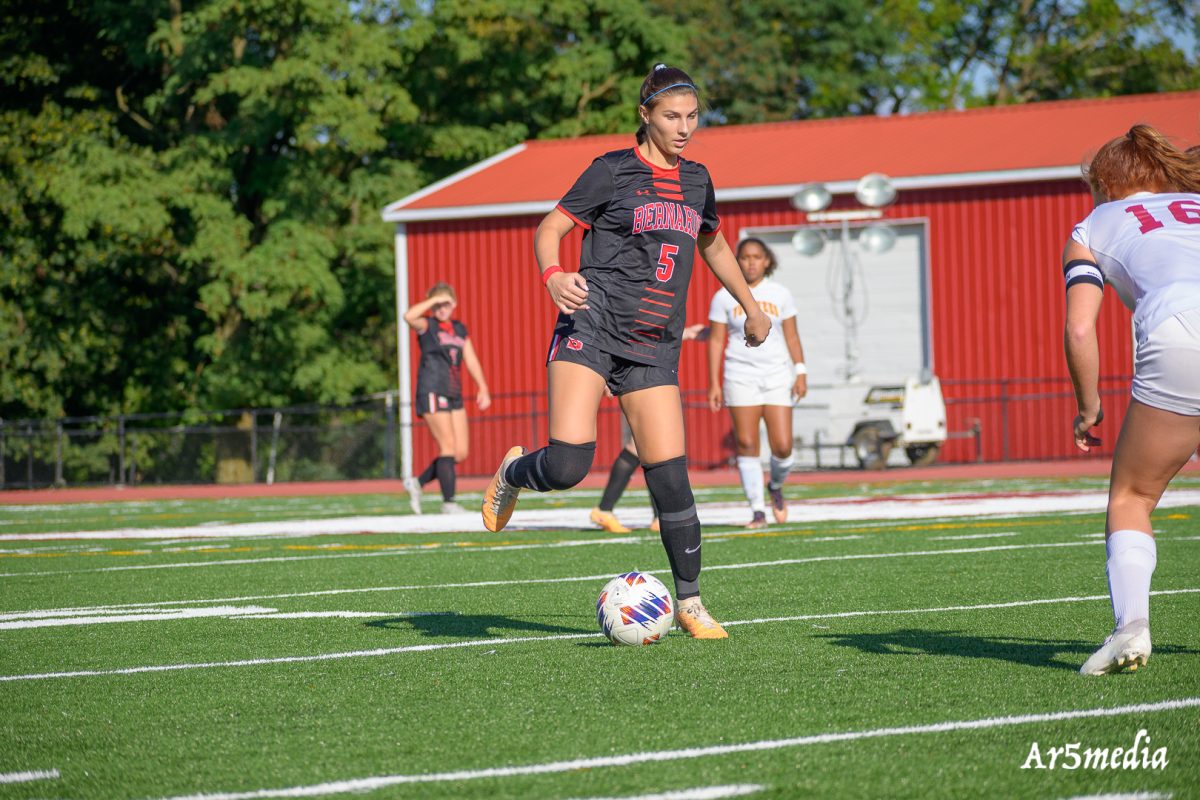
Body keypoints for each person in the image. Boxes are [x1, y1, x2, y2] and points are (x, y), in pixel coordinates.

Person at [481, 63, 771, 639]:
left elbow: (712, 244)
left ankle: (689, 602)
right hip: (591, 327)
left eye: (692, 117)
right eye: (671, 116)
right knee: (567, 467)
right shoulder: (610, 172)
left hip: (653, 345)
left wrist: (750, 305)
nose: (684, 127)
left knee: (671, 481)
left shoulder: (698, 180)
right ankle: (514, 472)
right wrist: (554, 275)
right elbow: (548, 230)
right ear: (645, 116)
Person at [1064, 124, 1200, 675]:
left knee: (1133, 495)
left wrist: (1088, 406)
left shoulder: (1095, 222)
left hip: (1178, 324)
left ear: (1106, 183)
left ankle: (1132, 629)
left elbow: (1079, 329)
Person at [707, 238, 807, 528]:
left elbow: (792, 336)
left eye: (757, 257)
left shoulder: (780, 294)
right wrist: (714, 383)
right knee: (747, 443)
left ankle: (775, 485)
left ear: (767, 261)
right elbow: (715, 341)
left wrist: (800, 370)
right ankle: (757, 511)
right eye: (745, 257)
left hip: (776, 374)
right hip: (740, 374)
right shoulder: (724, 296)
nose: (751, 262)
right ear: (736, 261)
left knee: (783, 446)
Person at [402, 283, 491, 514]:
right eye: (438, 304)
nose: (442, 308)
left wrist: (482, 386)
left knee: (459, 452)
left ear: (454, 303)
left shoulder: (460, 329)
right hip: (432, 389)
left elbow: (470, 359)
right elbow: (408, 315)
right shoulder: (428, 325)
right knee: (448, 446)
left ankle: (418, 483)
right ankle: (449, 502)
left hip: (453, 392)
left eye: (446, 303)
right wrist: (433, 300)